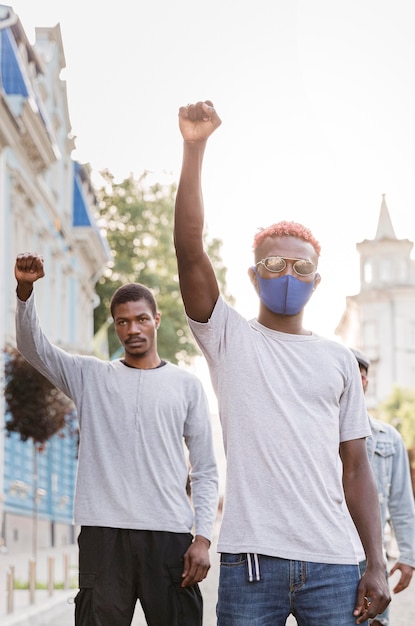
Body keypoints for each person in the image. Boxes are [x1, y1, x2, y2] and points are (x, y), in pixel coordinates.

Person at [173, 100, 391, 625]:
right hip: (252, 561)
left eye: (300, 266)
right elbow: (188, 247)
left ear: (317, 280)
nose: (286, 273)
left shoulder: (339, 360)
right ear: (253, 276)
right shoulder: (228, 338)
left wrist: (377, 562)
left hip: (335, 563)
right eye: (272, 263)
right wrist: (194, 148)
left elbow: (357, 467)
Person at [14, 253, 219, 626]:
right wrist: (25, 291)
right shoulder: (89, 376)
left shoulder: (186, 386)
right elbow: (34, 349)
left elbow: (205, 469)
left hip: (169, 535)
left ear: (156, 320)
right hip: (103, 535)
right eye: (122, 322)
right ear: (115, 327)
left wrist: (202, 538)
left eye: (141, 319)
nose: (133, 329)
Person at [351, 349, 415, 626]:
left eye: (358, 377)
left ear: (365, 383)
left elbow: (401, 502)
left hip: (372, 556)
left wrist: (408, 555)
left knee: (376, 623)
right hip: (328, 557)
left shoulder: (388, 438)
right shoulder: (315, 435)